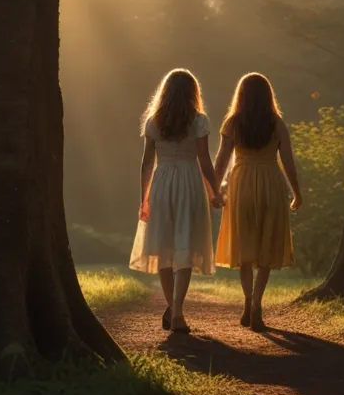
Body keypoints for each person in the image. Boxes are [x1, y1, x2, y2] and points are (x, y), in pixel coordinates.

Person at [129, 68, 222, 334]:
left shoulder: (154, 121)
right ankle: (177, 311)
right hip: (189, 182)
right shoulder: (199, 120)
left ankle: (175, 311)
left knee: (164, 248)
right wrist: (214, 191)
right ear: (193, 93)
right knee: (185, 246)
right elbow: (204, 160)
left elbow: (147, 163)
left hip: (162, 182)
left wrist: (143, 199)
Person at [214, 73, 303, 332]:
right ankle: (257, 305)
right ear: (268, 96)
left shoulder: (232, 123)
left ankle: (246, 303)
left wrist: (214, 191)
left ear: (240, 95)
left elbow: (221, 161)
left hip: (241, 184)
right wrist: (297, 193)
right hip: (270, 184)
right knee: (266, 248)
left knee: (244, 248)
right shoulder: (276, 123)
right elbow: (287, 162)